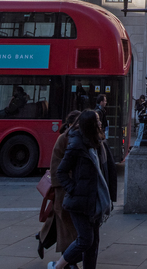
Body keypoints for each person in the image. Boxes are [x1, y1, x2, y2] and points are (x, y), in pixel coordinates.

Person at [50, 109, 116, 269]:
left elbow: (105, 171)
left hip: (94, 200)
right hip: (80, 201)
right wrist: (73, 189)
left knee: (92, 245)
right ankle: (58, 266)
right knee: (86, 240)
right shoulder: (77, 145)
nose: (101, 123)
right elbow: (61, 171)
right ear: (90, 125)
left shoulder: (97, 143)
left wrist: (107, 196)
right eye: (98, 120)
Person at [38, 111, 79, 262]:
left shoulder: (73, 138)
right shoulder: (65, 139)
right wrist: (65, 186)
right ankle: (67, 260)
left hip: (66, 187)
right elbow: (57, 166)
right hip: (63, 187)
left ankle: (42, 238)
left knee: (60, 221)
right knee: (67, 226)